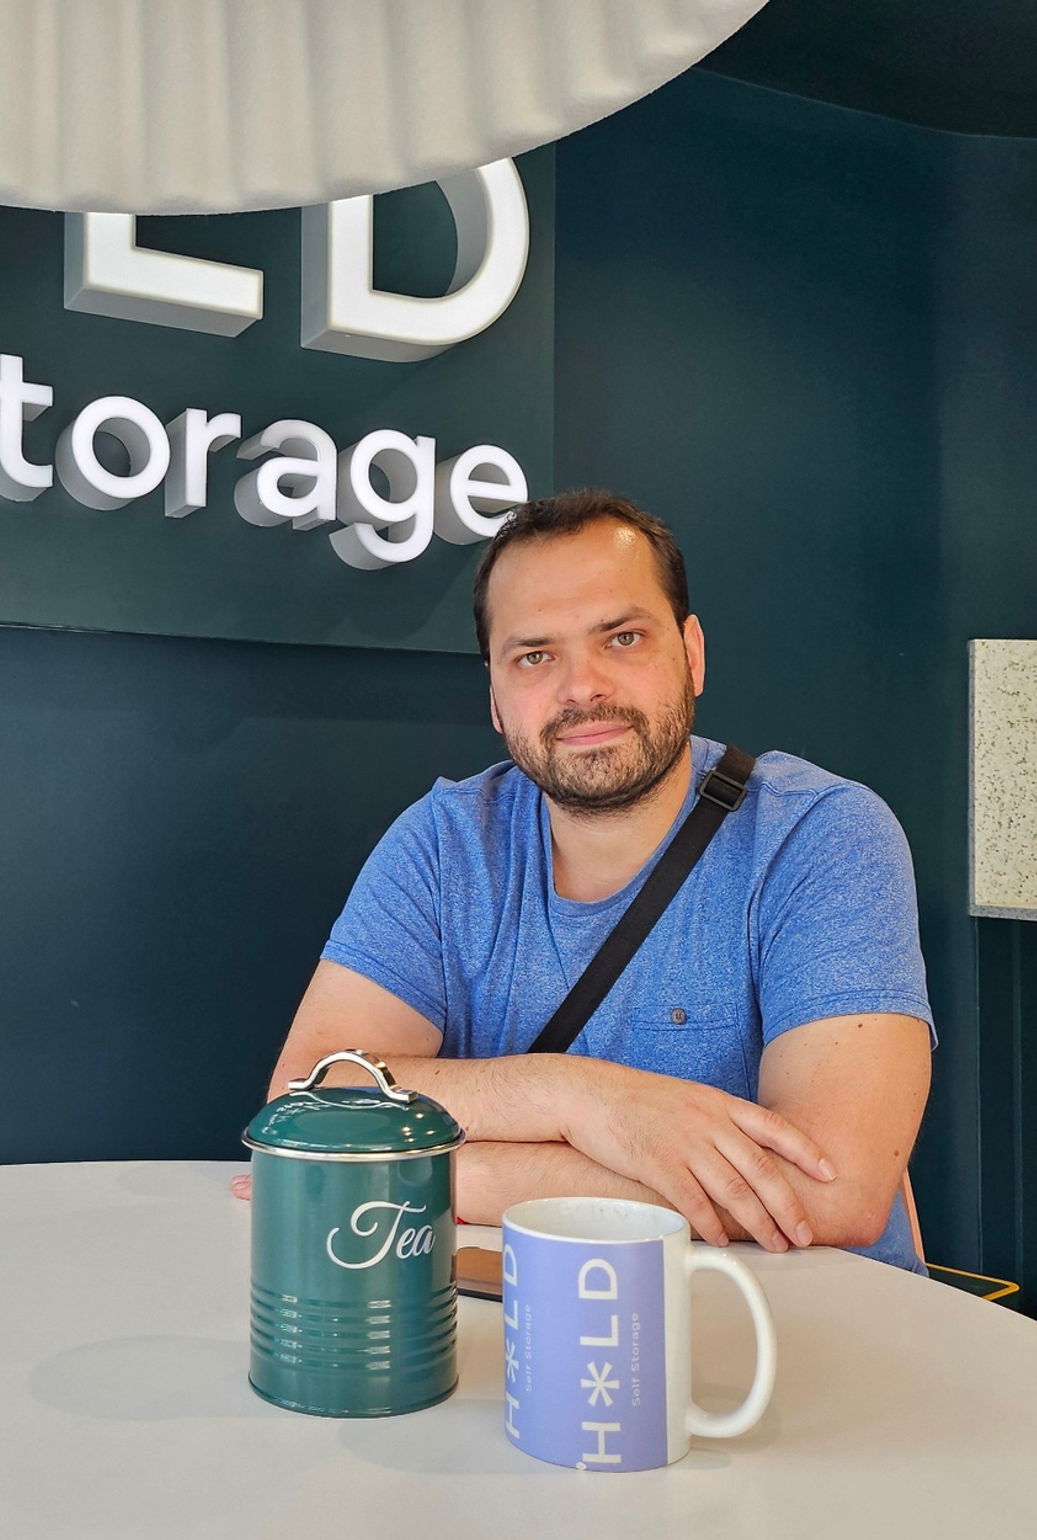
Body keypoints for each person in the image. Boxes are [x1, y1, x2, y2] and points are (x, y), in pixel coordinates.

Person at [238, 488, 935, 1271]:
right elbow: (310, 1102)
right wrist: (582, 1099)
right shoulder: (445, 846)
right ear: (496, 700)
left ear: (693, 652)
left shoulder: (819, 835)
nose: (582, 688)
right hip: (522, 1343)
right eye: (536, 655)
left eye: (624, 637)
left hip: (802, 1350)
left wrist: (452, 1170)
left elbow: (830, 1189)